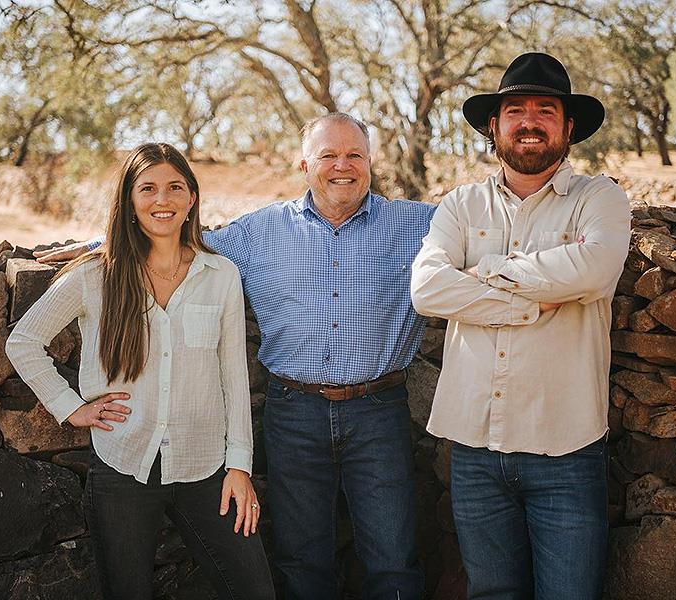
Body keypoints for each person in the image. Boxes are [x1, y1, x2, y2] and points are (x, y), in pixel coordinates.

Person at [35, 114, 433, 600]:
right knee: (302, 558)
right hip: (294, 412)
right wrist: (97, 247)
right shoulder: (262, 231)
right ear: (304, 165)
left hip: (378, 410)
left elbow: (484, 230)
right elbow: (178, 237)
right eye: (328, 155)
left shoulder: (417, 224)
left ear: (371, 162)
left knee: (393, 561)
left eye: (355, 155)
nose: (342, 166)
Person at [6, 143, 275, 600]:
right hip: (123, 466)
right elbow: (24, 341)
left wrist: (239, 468)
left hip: (206, 468)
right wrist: (71, 408)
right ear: (129, 200)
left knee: (254, 590)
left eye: (175, 187)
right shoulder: (95, 275)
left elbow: (233, 376)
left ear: (192, 197)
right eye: (147, 188)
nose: (162, 200)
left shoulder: (221, 275)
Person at [410, 53, 631, 600]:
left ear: (568, 127)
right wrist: (529, 304)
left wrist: (484, 272)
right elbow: (428, 289)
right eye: (515, 111)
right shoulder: (461, 204)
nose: (529, 121)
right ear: (494, 125)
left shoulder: (599, 198)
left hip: (566, 448)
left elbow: (595, 268)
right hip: (474, 450)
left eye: (545, 110)